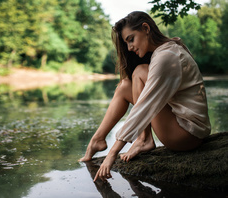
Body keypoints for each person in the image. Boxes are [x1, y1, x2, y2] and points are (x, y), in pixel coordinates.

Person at [79, 11, 211, 182]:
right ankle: (97, 140)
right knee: (126, 85)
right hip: (185, 127)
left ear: (146, 28)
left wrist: (113, 153)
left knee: (140, 72)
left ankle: (143, 139)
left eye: (131, 39)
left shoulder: (167, 57)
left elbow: (144, 107)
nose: (129, 48)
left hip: (187, 135)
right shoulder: (167, 50)